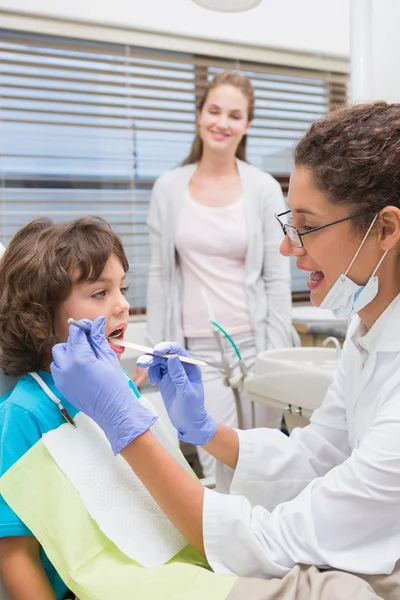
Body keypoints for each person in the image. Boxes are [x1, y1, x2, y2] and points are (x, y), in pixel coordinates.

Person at [52, 101, 400, 583]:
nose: (285, 248)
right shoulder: (369, 329)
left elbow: (277, 541)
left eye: (307, 225)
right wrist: (207, 431)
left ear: (385, 228)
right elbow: (320, 455)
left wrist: (125, 427)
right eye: (289, 223)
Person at [132, 69, 293, 477]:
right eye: (214, 111)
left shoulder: (262, 188)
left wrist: (276, 354)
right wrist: (154, 347)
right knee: (221, 471)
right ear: (199, 115)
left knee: (264, 469)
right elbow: (160, 275)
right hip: (197, 356)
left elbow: (276, 278)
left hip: (257, 347)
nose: (222, 122)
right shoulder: (169, 188)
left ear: (247, 125)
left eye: (234, 115)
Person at [0, 216, 141, 600]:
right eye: (100, 294)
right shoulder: (24, 414)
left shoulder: (123, 387)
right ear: (39, 322)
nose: (123, 305)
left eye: (122, 289)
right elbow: (16, 556)